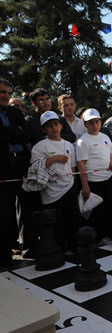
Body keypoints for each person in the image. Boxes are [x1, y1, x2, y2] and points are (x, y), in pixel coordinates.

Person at [31, 111, 80, 251]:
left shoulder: (69, 145)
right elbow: (35, 169)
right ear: (43, 129)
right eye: (49, 126)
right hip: (51, 190)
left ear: (61, 126)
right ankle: (59, 247)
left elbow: (72, 167)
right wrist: (53, 159)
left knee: (73, 218)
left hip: (69, 186)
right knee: (57, 221)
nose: (53, 128)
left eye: (56, 124)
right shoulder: (39, 146)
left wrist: (74, 185)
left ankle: (74, 246)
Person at [0, 78, 32, 267]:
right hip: (2, 168)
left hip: (21, 165)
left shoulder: (14, 112)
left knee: (26, 208)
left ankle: (28, 246)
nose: (6, 96)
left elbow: (28, 133)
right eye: (2, 92)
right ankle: (5, 253)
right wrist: (15, 131)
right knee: (4, 212)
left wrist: (7, 132)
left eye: (9, 93)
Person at [76, 108, 112, 244]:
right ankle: (97, 238)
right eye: (91, 122)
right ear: (85, 124)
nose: (95, 125)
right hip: (93, 181)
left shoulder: (105, 137)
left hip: (108, 178)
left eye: (97, 121)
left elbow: (110, 153)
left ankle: (108, 234)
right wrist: (85, 185)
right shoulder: (83, 141)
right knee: (96, 212)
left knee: (108, 208)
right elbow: (81, 164)